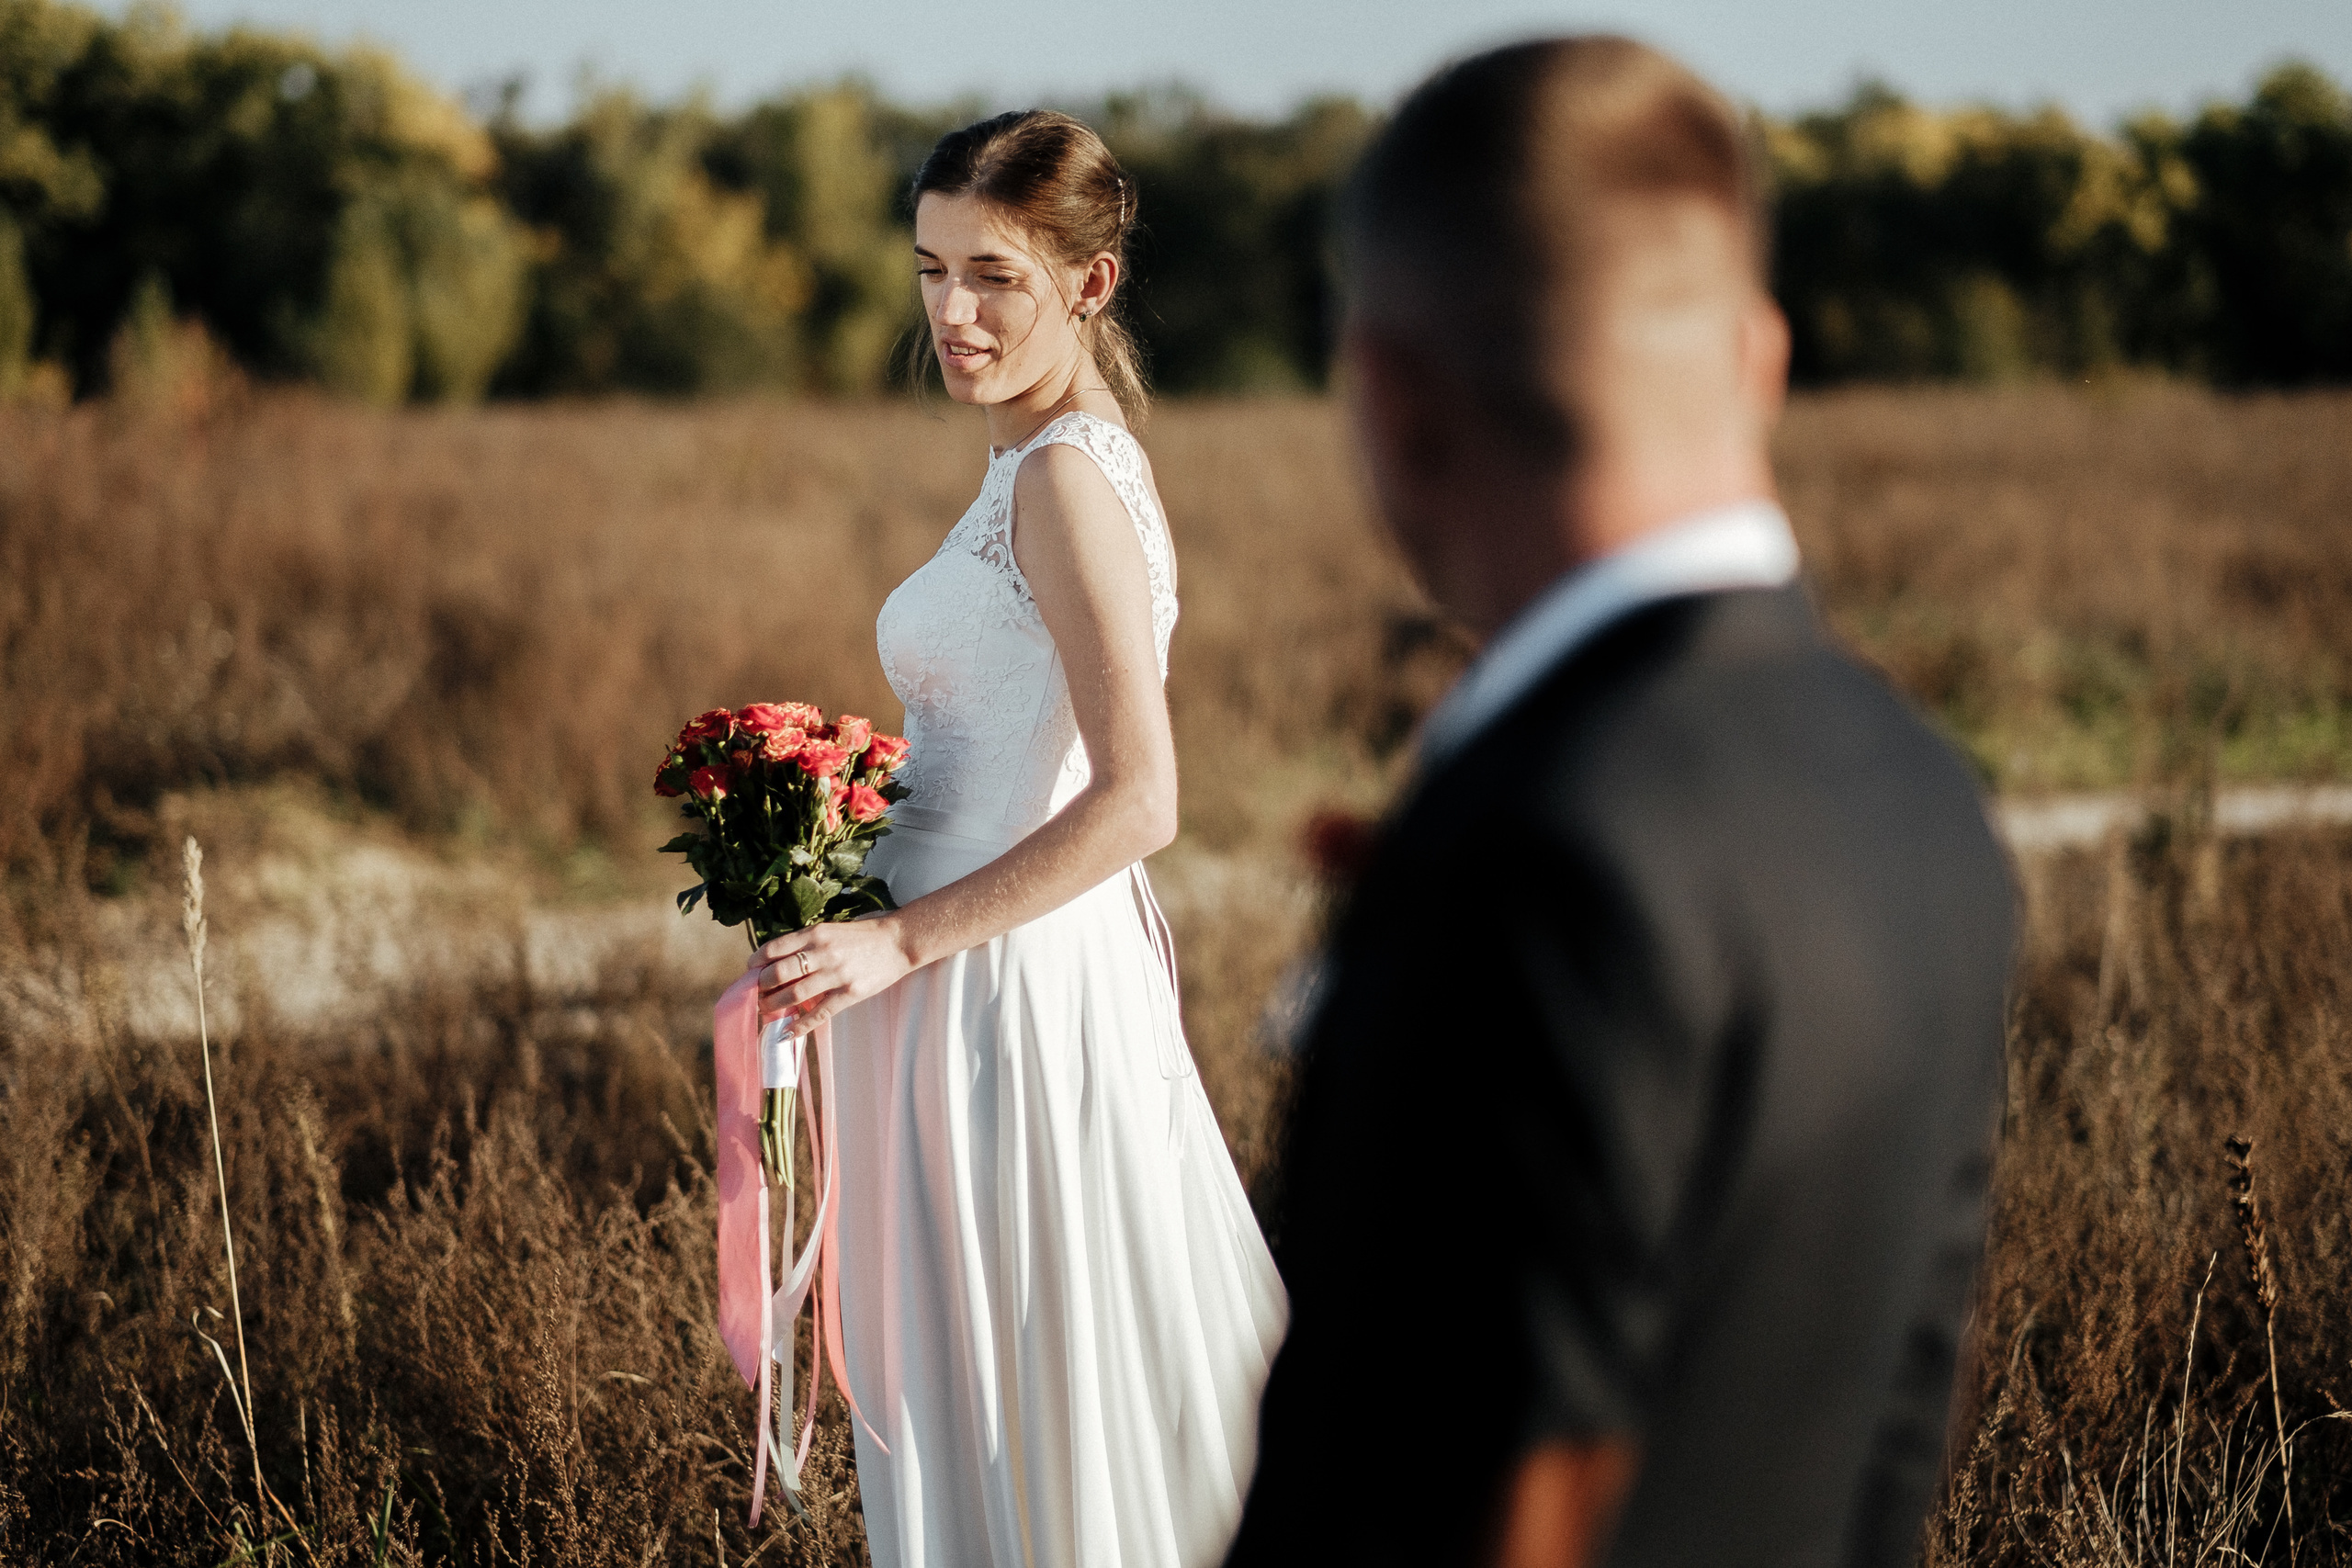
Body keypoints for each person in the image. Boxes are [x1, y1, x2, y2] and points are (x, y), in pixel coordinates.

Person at [1225, 38, 2015, 1568]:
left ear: (1390, 398)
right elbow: (1896, 1441)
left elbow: (1449, 1499)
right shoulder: (1921, 789)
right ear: (1759, 358)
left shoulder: (1540, 849)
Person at [744, 110, 1287, 1568]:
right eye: (931, 271)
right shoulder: (1037, 464)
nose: (952, 314)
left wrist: (899, 934)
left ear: (1090, 287)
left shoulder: (1064, 479)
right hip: (947, 985)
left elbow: (1140, 797)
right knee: (985, 1396)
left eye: (994, 276)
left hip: (1005, 1000)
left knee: (1032, 1401)